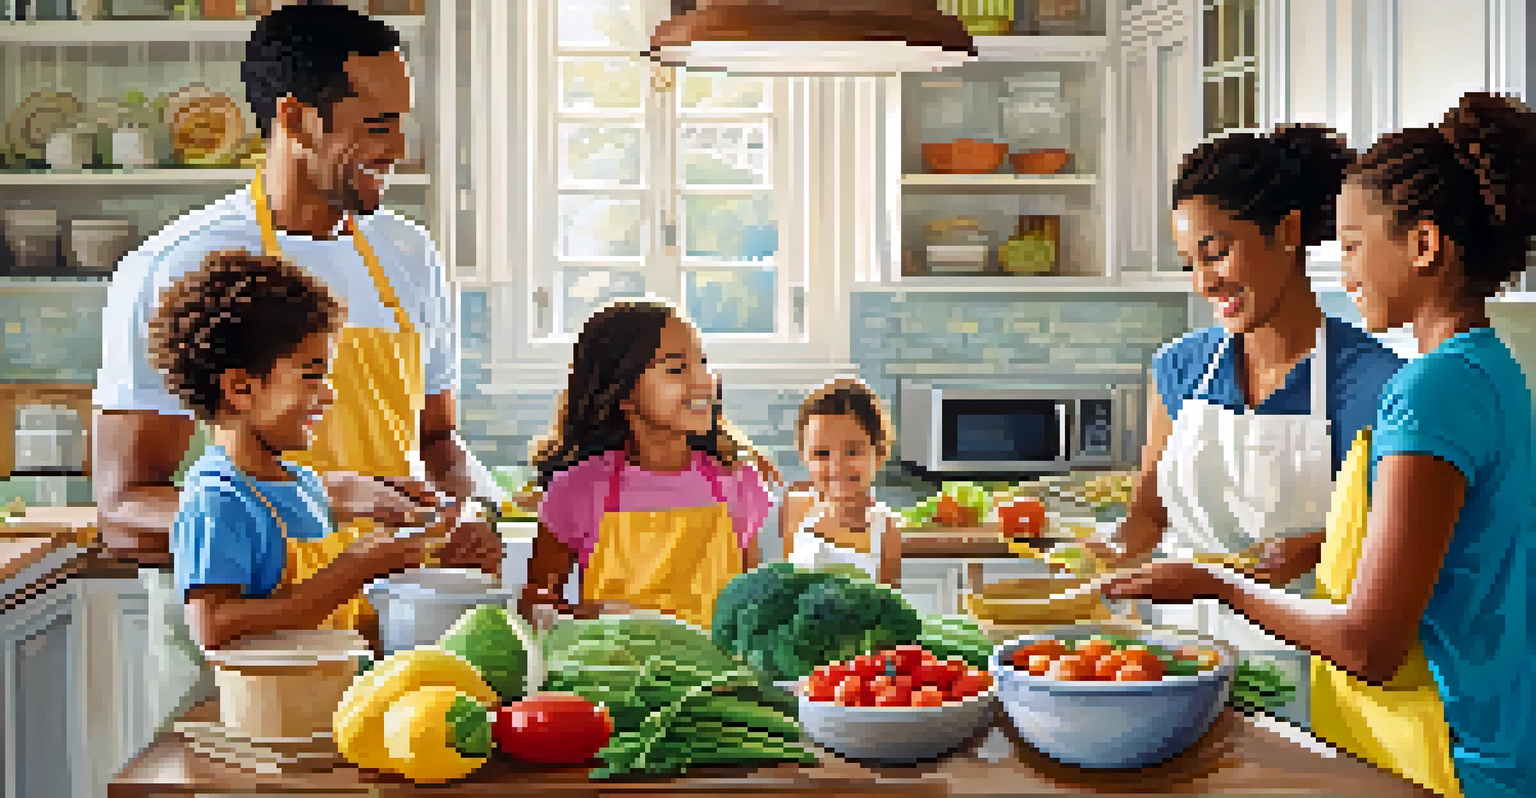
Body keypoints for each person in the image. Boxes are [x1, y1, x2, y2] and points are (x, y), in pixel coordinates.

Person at [1104, 92, 1536, 798]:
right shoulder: (1490, 368)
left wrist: (1216, 583)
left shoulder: (1428, 390)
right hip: (1492, 742)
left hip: (1449, 759)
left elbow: (1369, 643)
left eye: (1356, 246)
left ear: (1424, 245)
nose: (1345, 271)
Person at [93, 4, 504, 735]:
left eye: (401, 121)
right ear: (296, 117)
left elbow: (439, 442)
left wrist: (472, 509)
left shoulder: (410, 258)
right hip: (241, 652)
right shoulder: (175, 268)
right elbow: (125, 507)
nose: (400, 148)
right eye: (377, 125)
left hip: (396, 640)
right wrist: (311, 516)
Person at [1086, 125, 1404, 657]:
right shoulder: (1181, 368)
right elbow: (1149, 514)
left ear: (1287, 231)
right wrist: (1100, 551)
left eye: (1215, 253)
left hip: (1310, 672)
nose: (1203, 283)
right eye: (1190, 263)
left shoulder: (1375, 383)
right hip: (1174, 659)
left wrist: (1317, 547)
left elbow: (1400, 553)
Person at [152, 250, 447, 653]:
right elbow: (214, 625)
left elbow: (326, 609)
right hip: (267, 709)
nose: (328, 395)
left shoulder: (303, 483)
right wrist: (354, 569)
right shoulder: (217, 499)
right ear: (241, 388)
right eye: (312, 376)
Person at [518, 301, 775, 629]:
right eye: (677, 369)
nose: (703, 381)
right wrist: (587, 617)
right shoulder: (578, 490)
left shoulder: (737, 481)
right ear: (622, 393)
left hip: (719, 679)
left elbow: (756, 607)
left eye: (703, 362)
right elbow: (536, 602)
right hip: (609, 676)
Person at [784, 377, 902, 585]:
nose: (837, 465)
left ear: (880, 452)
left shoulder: (886, 528)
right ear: (803, 456)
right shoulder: (796, 509)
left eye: (852, 451)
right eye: (821, 453)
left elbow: (889, 604)